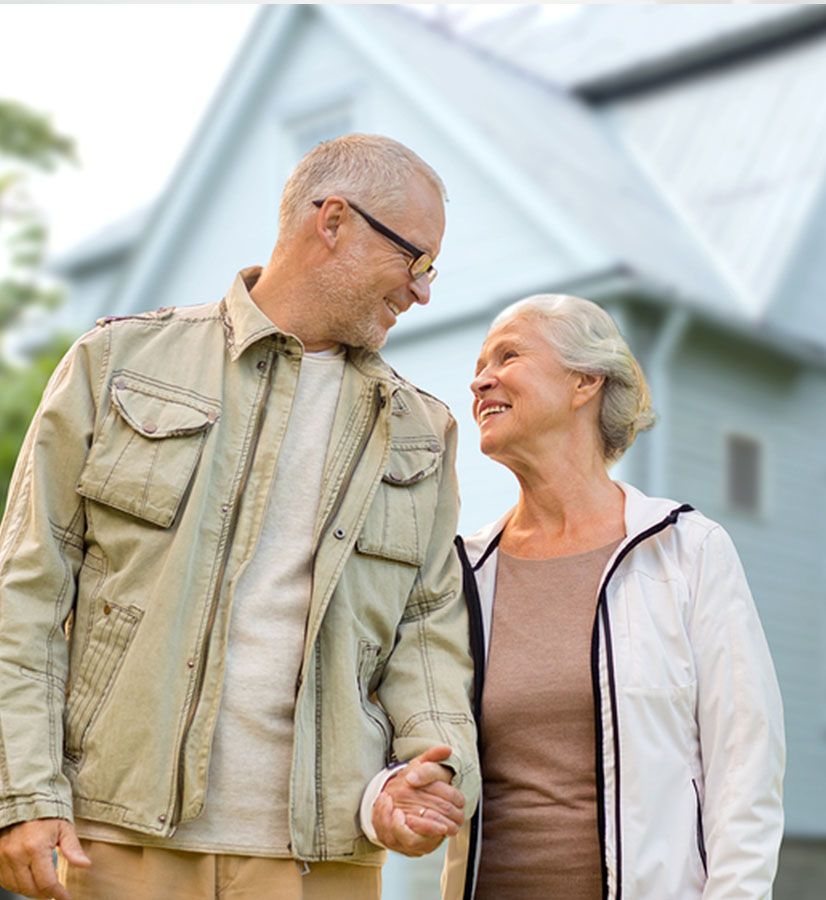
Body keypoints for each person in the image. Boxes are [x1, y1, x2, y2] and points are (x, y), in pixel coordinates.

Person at [0, 133, 479, 900]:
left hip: (323, 860)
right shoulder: (116, 363)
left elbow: (426, 637)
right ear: (333, 223)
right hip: (119, 843)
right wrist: (24, 793)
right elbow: (25, 591)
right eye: (415, 261)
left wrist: (427, 770)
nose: (422, 292)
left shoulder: (424, 431)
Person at [440, 294, 785, 899]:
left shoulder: (685, 551)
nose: (480, 380)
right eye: (479, 363)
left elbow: (746, 768)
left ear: (585, 380)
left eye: (508, 355)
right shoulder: (463, 572)